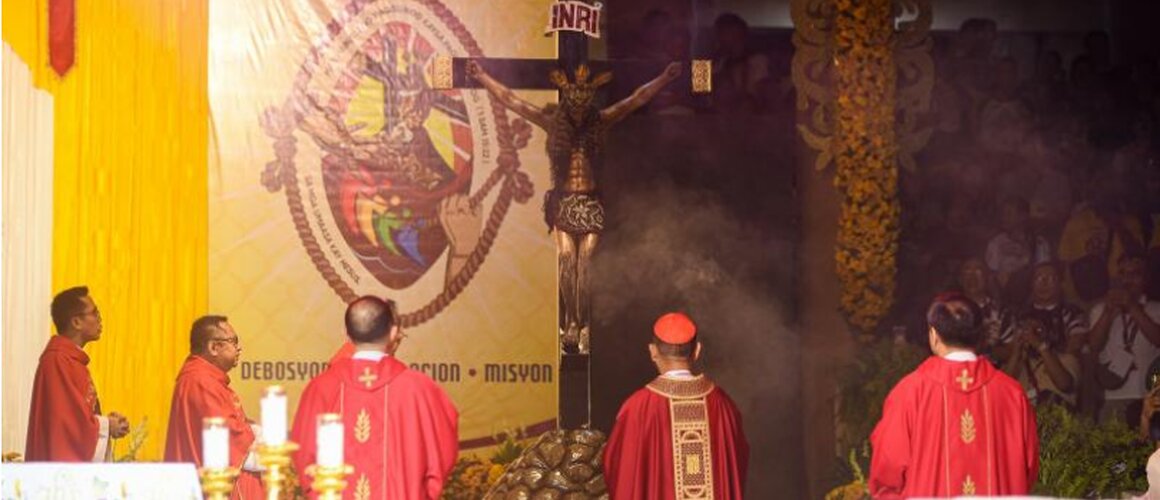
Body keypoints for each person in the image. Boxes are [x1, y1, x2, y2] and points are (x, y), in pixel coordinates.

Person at [869, 293, 1039, 497]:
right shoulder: (1012, 393)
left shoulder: (909, 392)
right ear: (980, 336)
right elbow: (1028, 468)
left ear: (933, 335)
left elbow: (887, 471)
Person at [291, 296, 458, 499]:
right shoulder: (419, 389)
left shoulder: (320, 388)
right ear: (393, 332)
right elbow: (442, 451)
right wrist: (420, 494)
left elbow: (304, 454)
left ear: (347, 335)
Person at [603, 312, 749, 499]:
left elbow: (618, 468)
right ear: (697, 351)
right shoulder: (721, 404)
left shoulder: (638, 407)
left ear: (652, 351)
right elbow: (738, 461)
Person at [25, 286, 130, 461]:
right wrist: (106, 426)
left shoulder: (72, 361)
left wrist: (105, 422)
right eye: (94, 312)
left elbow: (77, 415)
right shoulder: (58, 361)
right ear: (76, 322)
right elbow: (66, 426)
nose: (100, 318)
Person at [164, 315, 263, 499]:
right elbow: (228, 438)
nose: (238, 348)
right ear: (213, 347)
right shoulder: (200, 381)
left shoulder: (205, 379)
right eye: (233, 341)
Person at [999, 262, 1087, 409]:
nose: (1044, 283)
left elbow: (1074, 349)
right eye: (1039, 278)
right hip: (1025, 377)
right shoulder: (1017, 316)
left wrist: (1041, 343)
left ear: (1060, 282)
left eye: (1050, 278)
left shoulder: (1073, 313)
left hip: (1058, 377)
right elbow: (1010, 352)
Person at [1089, 253, 1160, 423]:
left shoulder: (1156, 309)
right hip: (1112, 397)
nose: (1127, 280)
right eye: (1122, 273)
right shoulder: (1100, 310)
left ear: (1145, 278)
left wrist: (1132, 307)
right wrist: (1108, 312)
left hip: (1149, 397)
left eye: (1135, 274)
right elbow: (1094, 345)